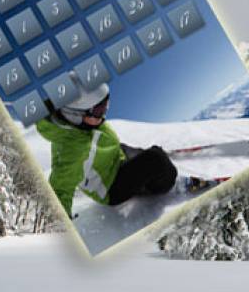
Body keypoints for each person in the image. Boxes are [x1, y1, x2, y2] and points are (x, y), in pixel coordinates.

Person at [36, 77, 180, 218]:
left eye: (105, 105)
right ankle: (169, 185)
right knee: (156, 159)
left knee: (147, 153)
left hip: (115, 158)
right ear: (74, 115)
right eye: (99, 110)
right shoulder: (72, 149)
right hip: (111, 188)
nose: (104, 114)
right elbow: (60, 188)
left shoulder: (83, 123)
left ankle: (149, 163)